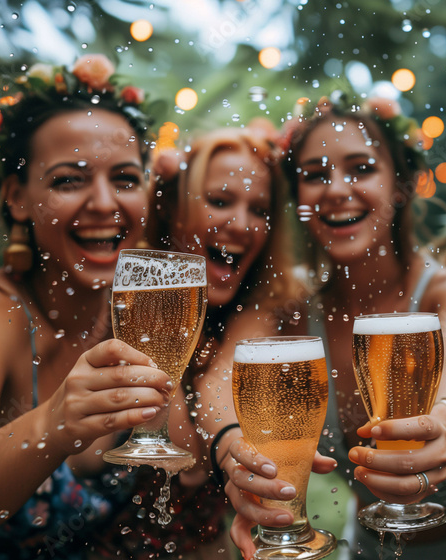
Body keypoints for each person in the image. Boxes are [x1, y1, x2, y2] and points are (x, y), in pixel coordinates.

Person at [0, 54, 171, 559]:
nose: (105, 203)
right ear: (17, 197)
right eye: (69, 180)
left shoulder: (143, 313)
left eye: (127, 179)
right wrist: (52, 425)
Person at [197, 93, 446, 560]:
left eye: (361, 168)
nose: (336, 189)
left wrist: (445, 427)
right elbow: (219, 377)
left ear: (400, 185)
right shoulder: (292, 310)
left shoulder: (445, 297)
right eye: (314, 176)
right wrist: (232, 449)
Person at [94, 125, 301, 559]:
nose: (242, 224)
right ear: (171, 208)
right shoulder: (112, 301)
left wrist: (230, 446)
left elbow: (200, 431)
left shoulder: (258, 309)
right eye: (220, 201)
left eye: (260, 209)